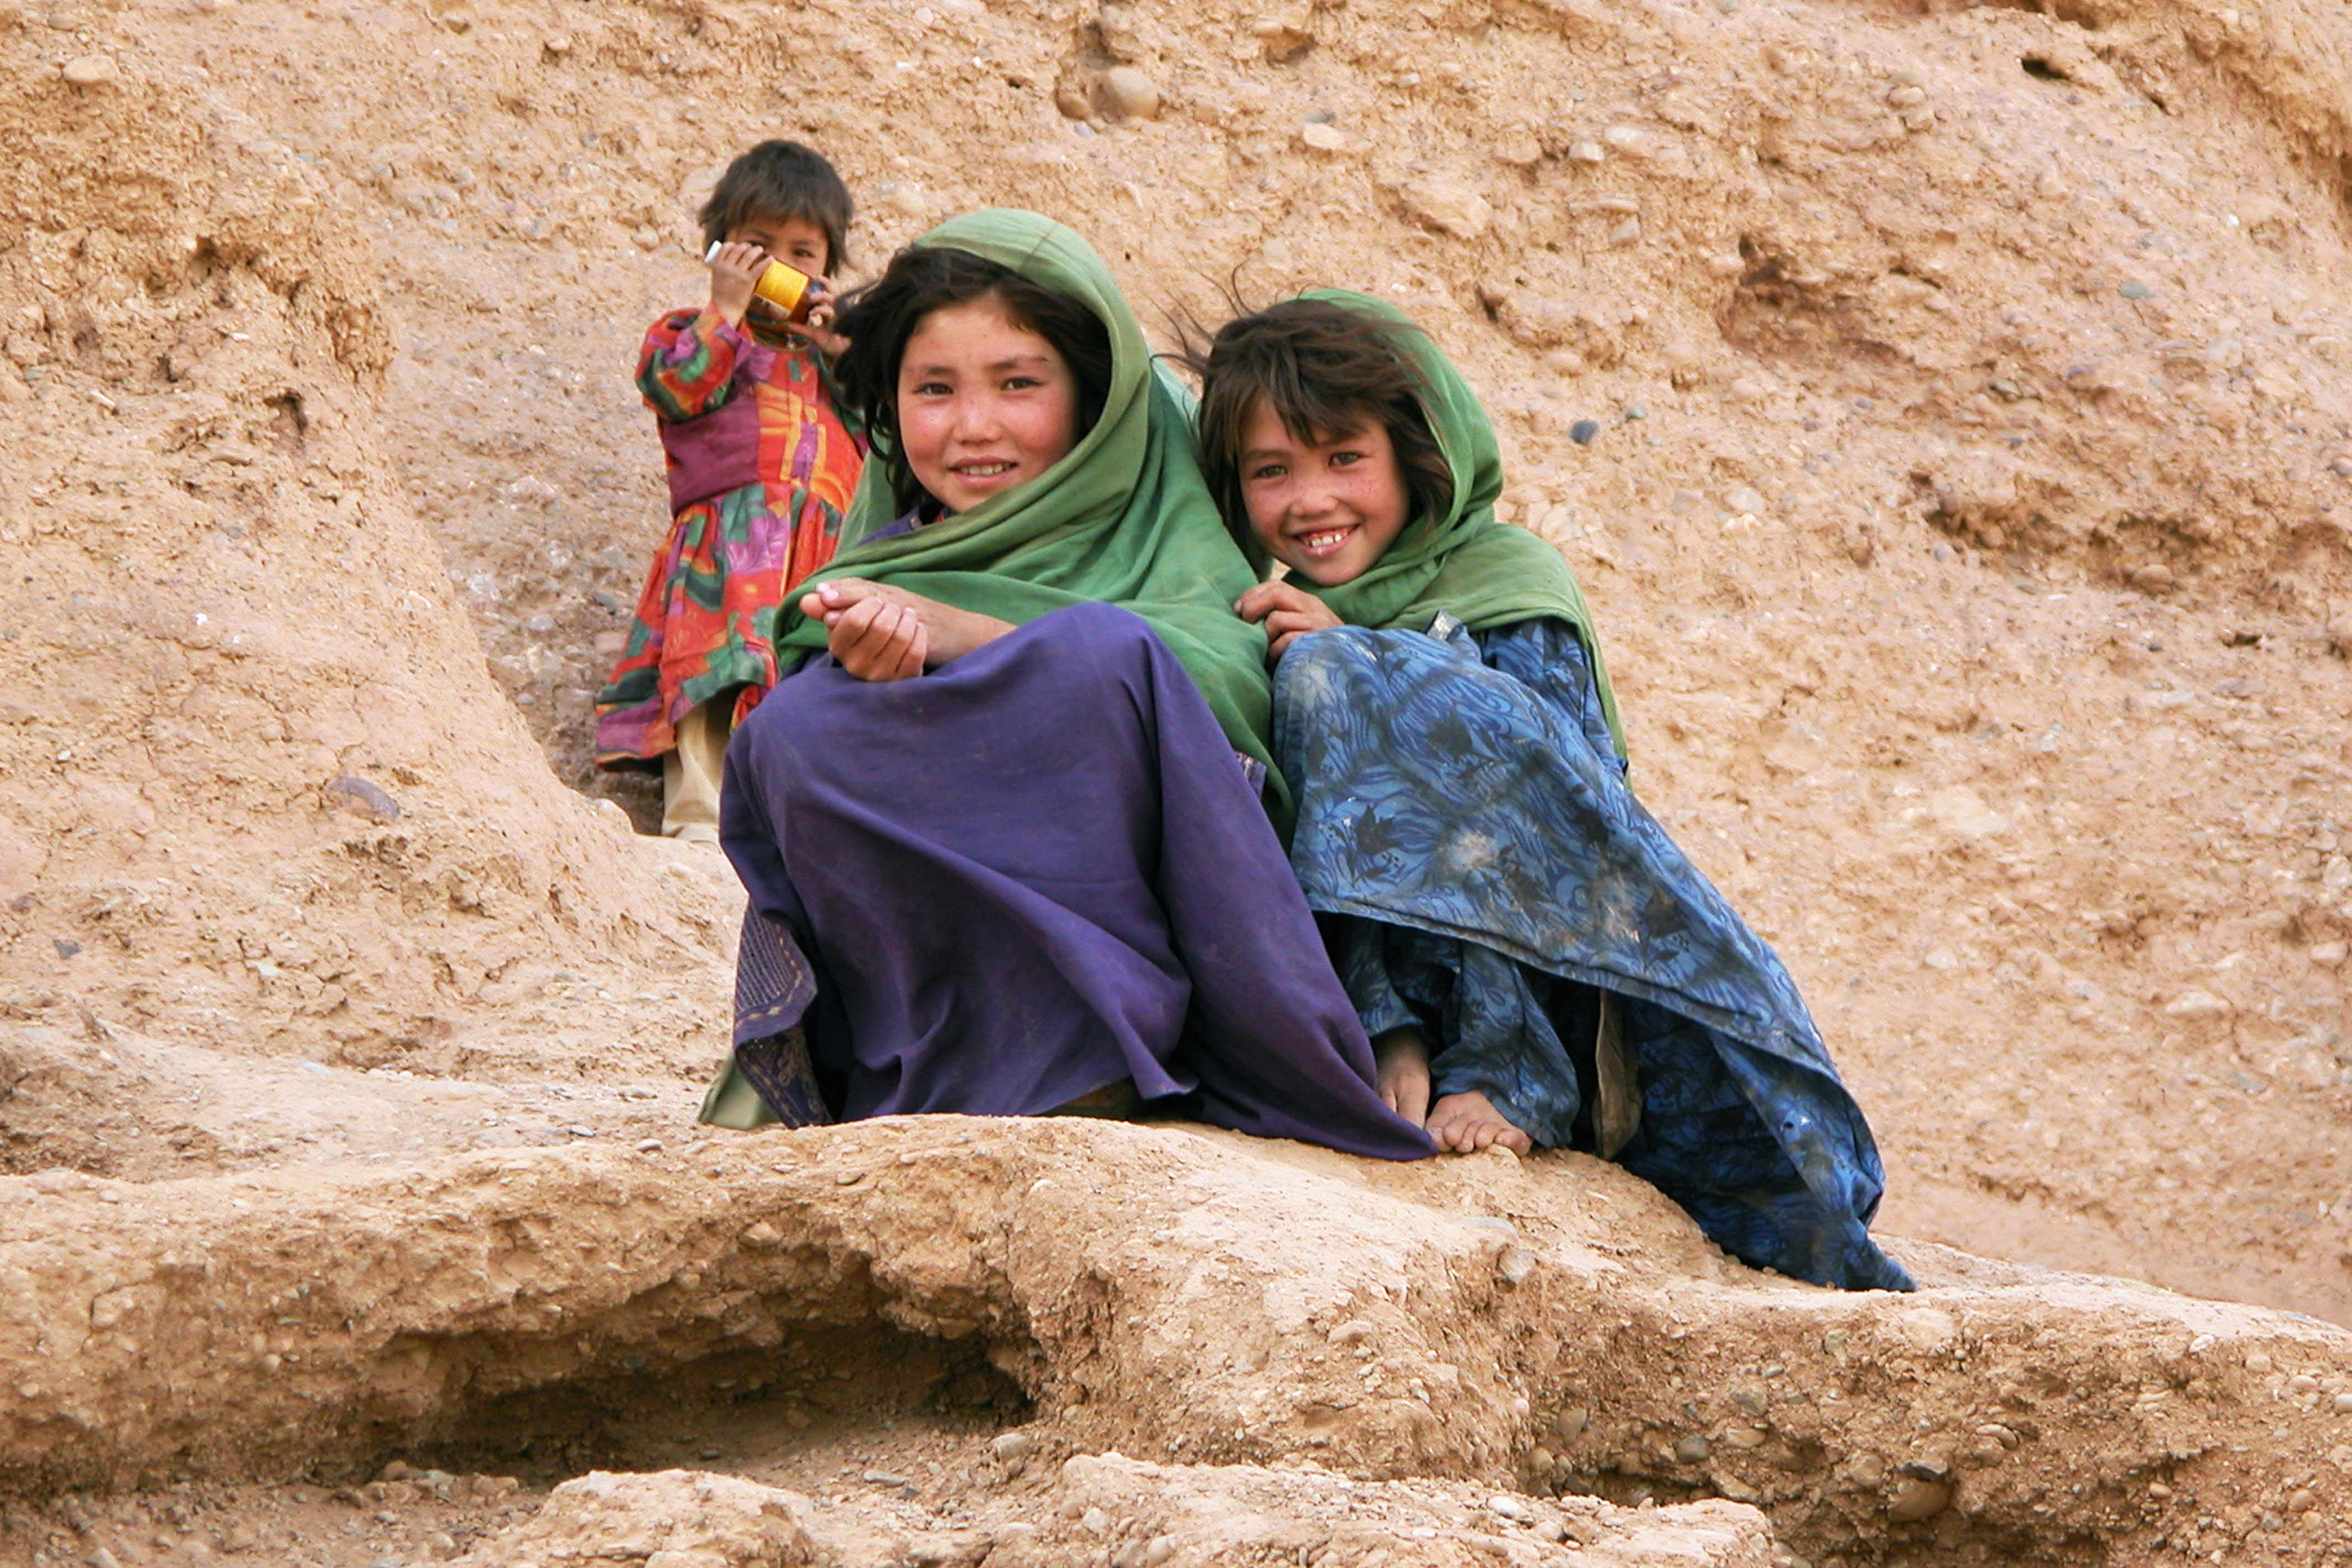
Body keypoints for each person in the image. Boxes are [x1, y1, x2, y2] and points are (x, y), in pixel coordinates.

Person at [1186, 293, 1912, 1291]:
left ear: (1419, 454)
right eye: (1272, 472)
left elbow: (1552, 814)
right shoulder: (1279, 617)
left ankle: (1506, 1071)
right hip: (1391, 987)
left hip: (1553, 978)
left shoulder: (1506, 578)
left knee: (1340, 687)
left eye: (1343, 458)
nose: (1310, 500)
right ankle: (1384, 1035)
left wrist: (1360, 658)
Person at [698, 212, 1430, 1164]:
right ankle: (931, 1069)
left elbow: (1202, 691)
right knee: (793, 728)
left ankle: (1100, 1055)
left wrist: (970, 642)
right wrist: (884, 676)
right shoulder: (889, 567)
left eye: (1018, 384)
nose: (974, 427)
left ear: (1091, 399)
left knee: (1103, 653)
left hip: (1155, 1033)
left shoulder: (1162, 539)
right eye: (934, 389)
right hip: (925, 1079)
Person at [594, 140, 865, 843]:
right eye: (756, 245)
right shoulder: (696, 332)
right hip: (730, 539)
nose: (780, 264)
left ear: (828, 268)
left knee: (805, 684)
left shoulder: (840, 364)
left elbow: (895, 443)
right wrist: (726, 310)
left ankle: (786, 827)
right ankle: (700, 810)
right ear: (720, 251)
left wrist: (850, 356)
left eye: (803, 252)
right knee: (717, 670)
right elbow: (674, 387)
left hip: (821, 551)